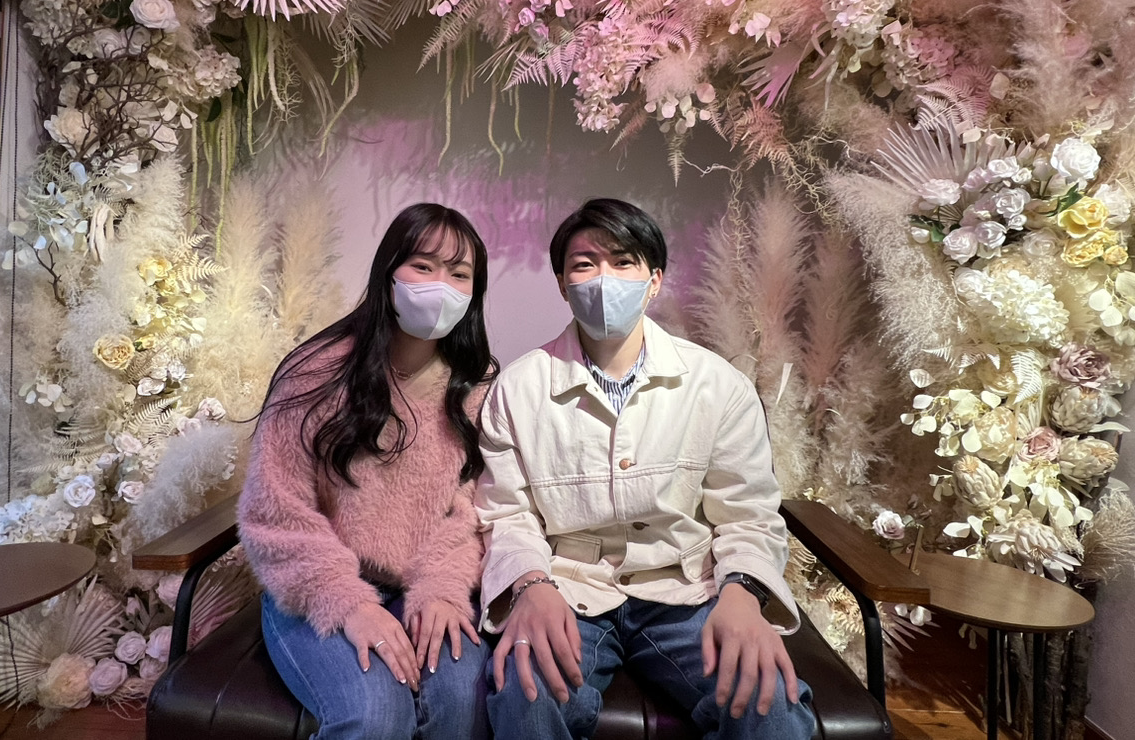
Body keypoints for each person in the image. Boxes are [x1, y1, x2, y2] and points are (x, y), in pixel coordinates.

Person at [475, 198, 816, 740]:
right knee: (527, 695)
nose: (603, 279)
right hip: (570, 588)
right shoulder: (518, 388)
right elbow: (505, 514)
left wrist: (742, 591)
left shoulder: (716, 384)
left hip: (686, 590)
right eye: (584, 265)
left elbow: (748, 513)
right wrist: (530, 584)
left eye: (623, 262)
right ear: (562, 284)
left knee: (767, 704)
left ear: (654, 280)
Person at [239, 202, 497, 740]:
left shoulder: (479, 384)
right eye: (422, 266)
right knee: (376, 715)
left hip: (428, 584)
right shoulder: (317, 374)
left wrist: (442, 590)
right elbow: (276, 514)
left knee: (463, 705)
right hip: (319, 586)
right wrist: (348, 603)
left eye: (459, 274)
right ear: (388, 272)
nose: (441, 286)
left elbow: (471, 511)